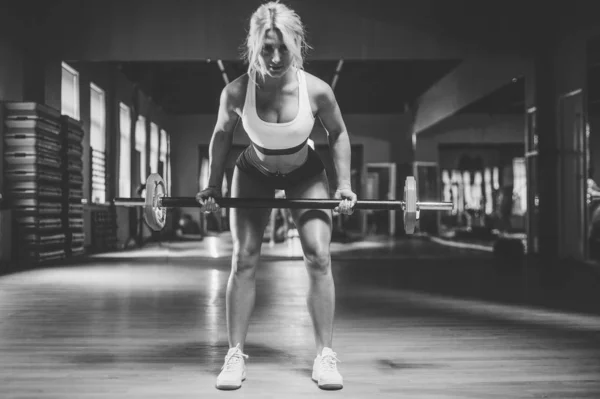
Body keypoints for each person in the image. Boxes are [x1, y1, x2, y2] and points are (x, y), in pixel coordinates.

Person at [196, 1, 356, 391]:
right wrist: (213, 185)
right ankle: (234, 354)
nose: (275, 56)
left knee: (319, 256)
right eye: (267, 47)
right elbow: (221, 136)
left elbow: (338, 133)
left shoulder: (317, 90)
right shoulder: (236, 91)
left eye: (282, 47)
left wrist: (344, 185)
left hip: (305, 173)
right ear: (255, 45)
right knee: (244, 258)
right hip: (254, 173)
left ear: (296, 44)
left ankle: (325, 356)